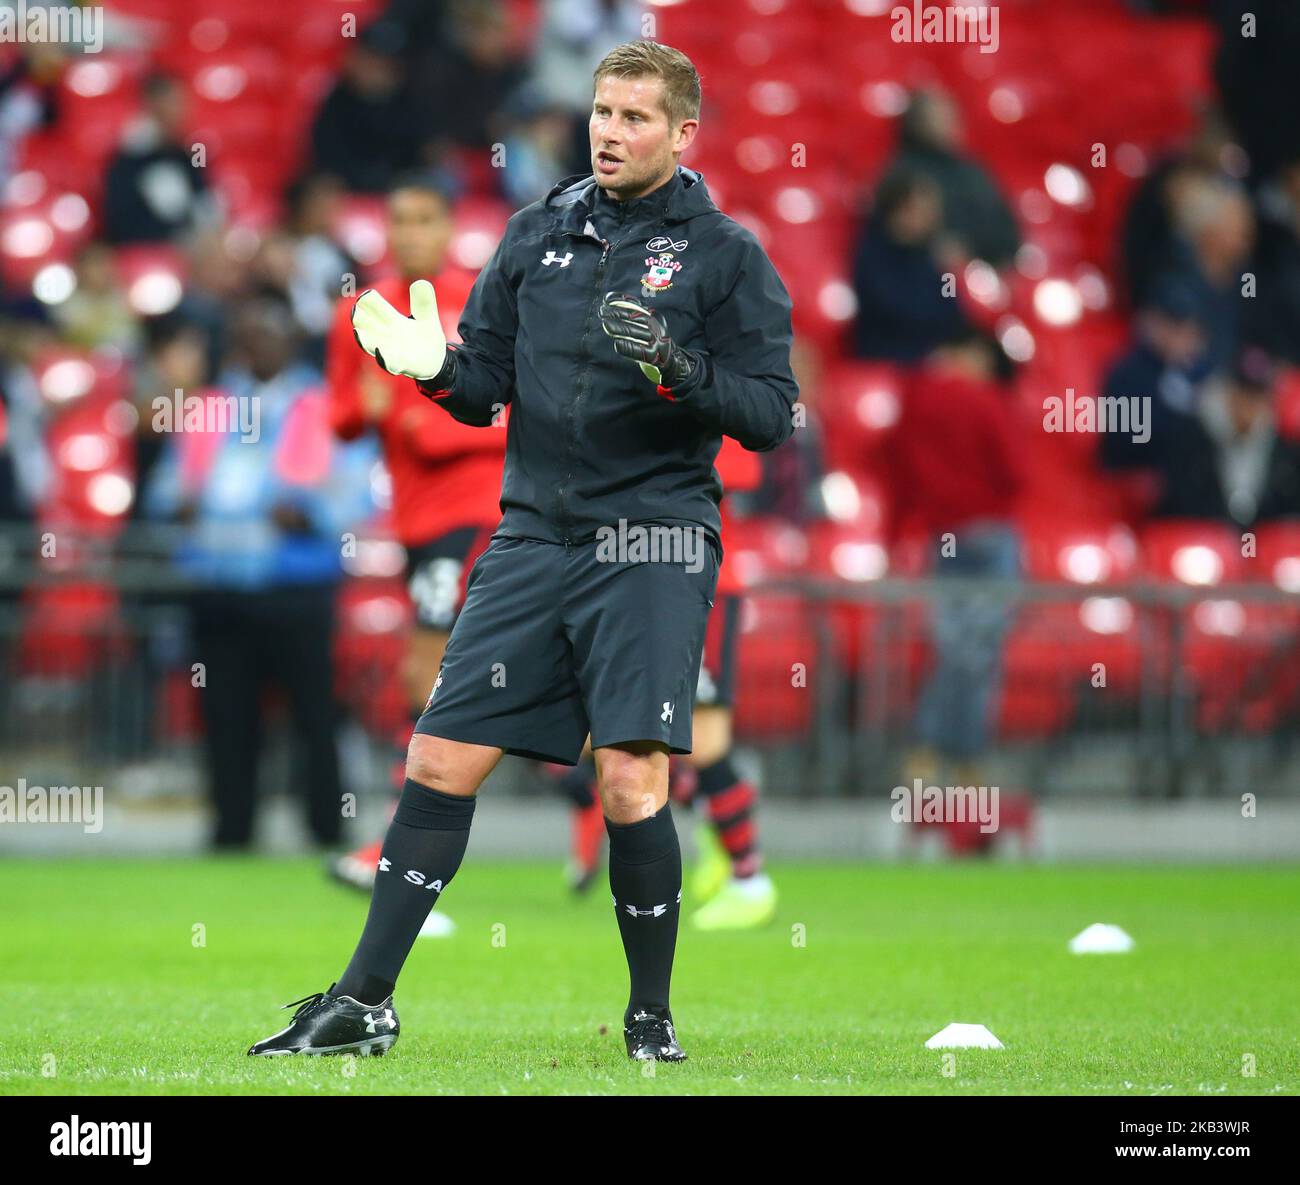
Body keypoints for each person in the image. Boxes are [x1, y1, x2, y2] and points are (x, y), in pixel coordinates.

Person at [248, 41, 797, 1063]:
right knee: (440, 755)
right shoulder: (537, 233)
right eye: (601, 111)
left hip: (653, 536)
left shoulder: (726, 255)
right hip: (532, 531)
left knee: (631, 779)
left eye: (635, 117)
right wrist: (430, 368)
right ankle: (364, 1002)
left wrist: (676, 368)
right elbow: (483, 385)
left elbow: (771, 415)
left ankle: (649, 1019)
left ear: (682, 134)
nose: (609, 131)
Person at [323, 175, 501, 940]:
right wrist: (361, 410)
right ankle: (615, 797)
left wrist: (427, 427)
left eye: (425, 217)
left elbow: (503, 405)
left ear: (450, 225)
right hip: (417, 520)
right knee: (458, 674)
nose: (410, 230)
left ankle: (390, 855)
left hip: (483, 512)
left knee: (428, 668)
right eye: (398, 217)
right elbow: (341, 417)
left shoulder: (484, 299)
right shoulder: (357, 313)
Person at [144, 297, 378, 848]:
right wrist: (182, 502)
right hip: (220, 584)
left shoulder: (322, 406)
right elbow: (163, 491)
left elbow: (355, 490)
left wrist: (310, 512)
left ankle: (325, 828)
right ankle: (231, 830)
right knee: (225, 716)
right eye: (247, 334)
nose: (257, 344)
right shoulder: (208, 408)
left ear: (292, 339)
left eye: (269, 332)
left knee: (314, 715)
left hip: (296, 584)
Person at [554, 435, 778, 931]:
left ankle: (750, 879)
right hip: (632, 579)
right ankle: (721, 848)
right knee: (634, 734)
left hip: (702, 580)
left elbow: (742, 464)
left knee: (704, 740)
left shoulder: (704, 393)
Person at [883, 329, 1028, 789]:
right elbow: (1016, 472)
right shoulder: (986, 399)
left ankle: (927, 755)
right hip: (989, 536)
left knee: (952, 651)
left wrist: (895, 536)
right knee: (979, 653)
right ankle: (966, 762)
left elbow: (898, 474)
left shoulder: (916, 398)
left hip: (942, 539)